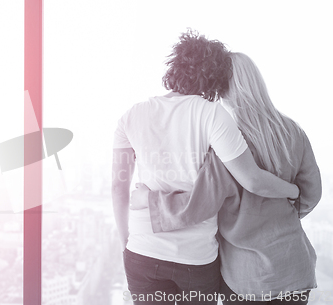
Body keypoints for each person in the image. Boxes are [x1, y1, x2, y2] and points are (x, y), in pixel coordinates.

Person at [112, 30, 300, 305]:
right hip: (195, 258)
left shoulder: (131, 115)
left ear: (174, 65)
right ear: (214, 79)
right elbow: (253, 180)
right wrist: (293, 190)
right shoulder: (212, 115)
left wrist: (126, 244)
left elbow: (118, 188)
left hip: (143, 250)